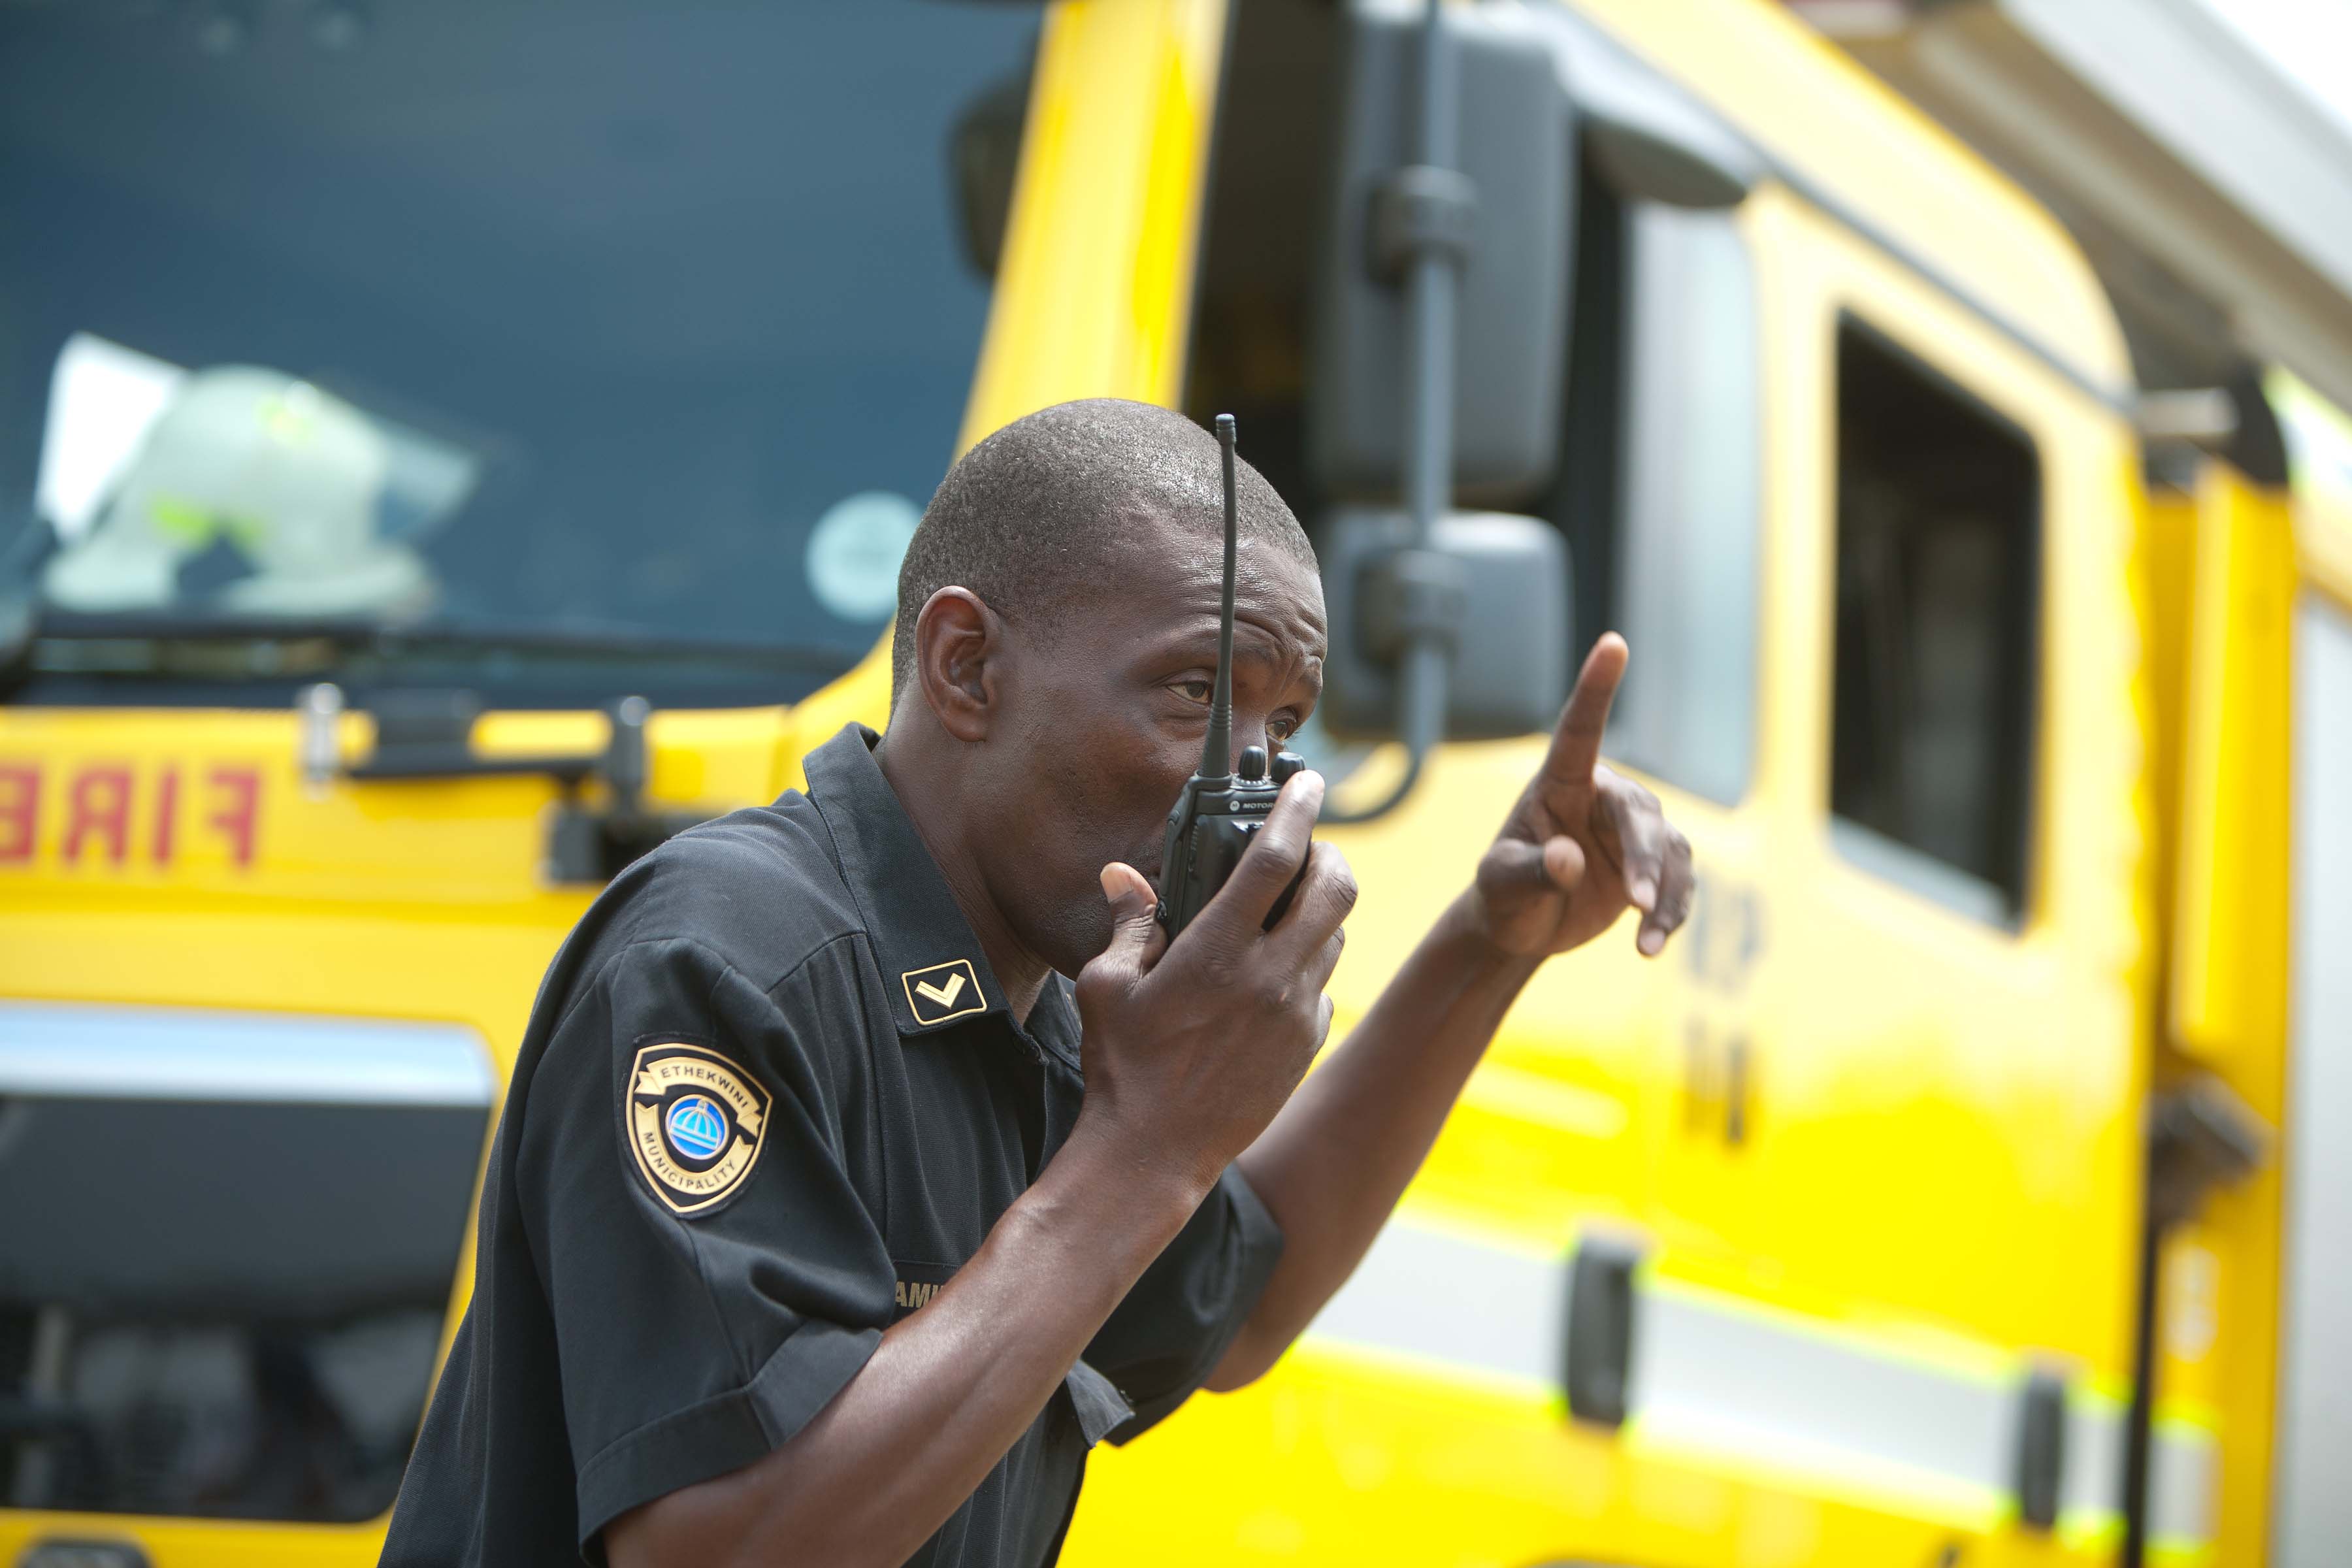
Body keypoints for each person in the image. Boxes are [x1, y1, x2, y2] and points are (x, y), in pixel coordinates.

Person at [377, 398, 1693, 1568]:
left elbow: (1246, 1301)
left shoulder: (1051, 1012)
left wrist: (1490, 941)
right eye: (1192, 693)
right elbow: (722, 1547)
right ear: (966, 667)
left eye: (1285, 729)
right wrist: (1141, 1152)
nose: (1258, 785)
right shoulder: (734, 953)